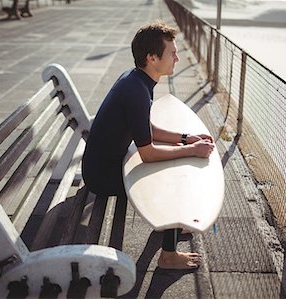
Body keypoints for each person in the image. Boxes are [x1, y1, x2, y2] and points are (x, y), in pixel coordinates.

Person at [82, 21, 215, 270]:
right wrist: (191, 150)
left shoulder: (137, 81)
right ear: (152, 58)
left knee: (173, 166)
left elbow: (145, 128)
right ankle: (168, 254)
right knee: (172, 177)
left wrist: (185, 138)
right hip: (102, 176)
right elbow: (149, 153)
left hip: (107, 163)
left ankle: (169, 225)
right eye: (172, 53)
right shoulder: (137, 90)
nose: (177, 58)